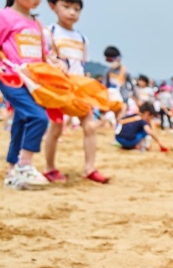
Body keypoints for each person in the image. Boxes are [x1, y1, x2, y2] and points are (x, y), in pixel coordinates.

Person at [41, 0, 108, 184]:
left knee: (90, 126)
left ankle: (90, 168)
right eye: (67, 7)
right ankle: (49, 168)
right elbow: (43, 56)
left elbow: (82, 64)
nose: (72, 12)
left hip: (79, 88)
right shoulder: (48, 32)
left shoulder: (82, 38)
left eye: (76, 9)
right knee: (56, 127)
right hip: (58, 87)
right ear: (53, 6)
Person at [0, 0, 50, 190]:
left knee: (21, 122)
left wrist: (55, 64)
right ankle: (24, 165)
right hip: (10, 79)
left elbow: (44, 56)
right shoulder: (4, 17)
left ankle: (12, 171)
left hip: (33, 82)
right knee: (38, 117)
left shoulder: (36, 23)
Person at [102, 45, 134, 118]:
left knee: (121, 117)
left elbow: (132, 86)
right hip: (112, 99)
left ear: (118, 58)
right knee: (113, 117)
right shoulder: (108, 71)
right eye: (107, 59)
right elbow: (105, 85)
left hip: (123, 98)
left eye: (111, 59)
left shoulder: (125, 72)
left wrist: (136, 97)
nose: (110, 62)